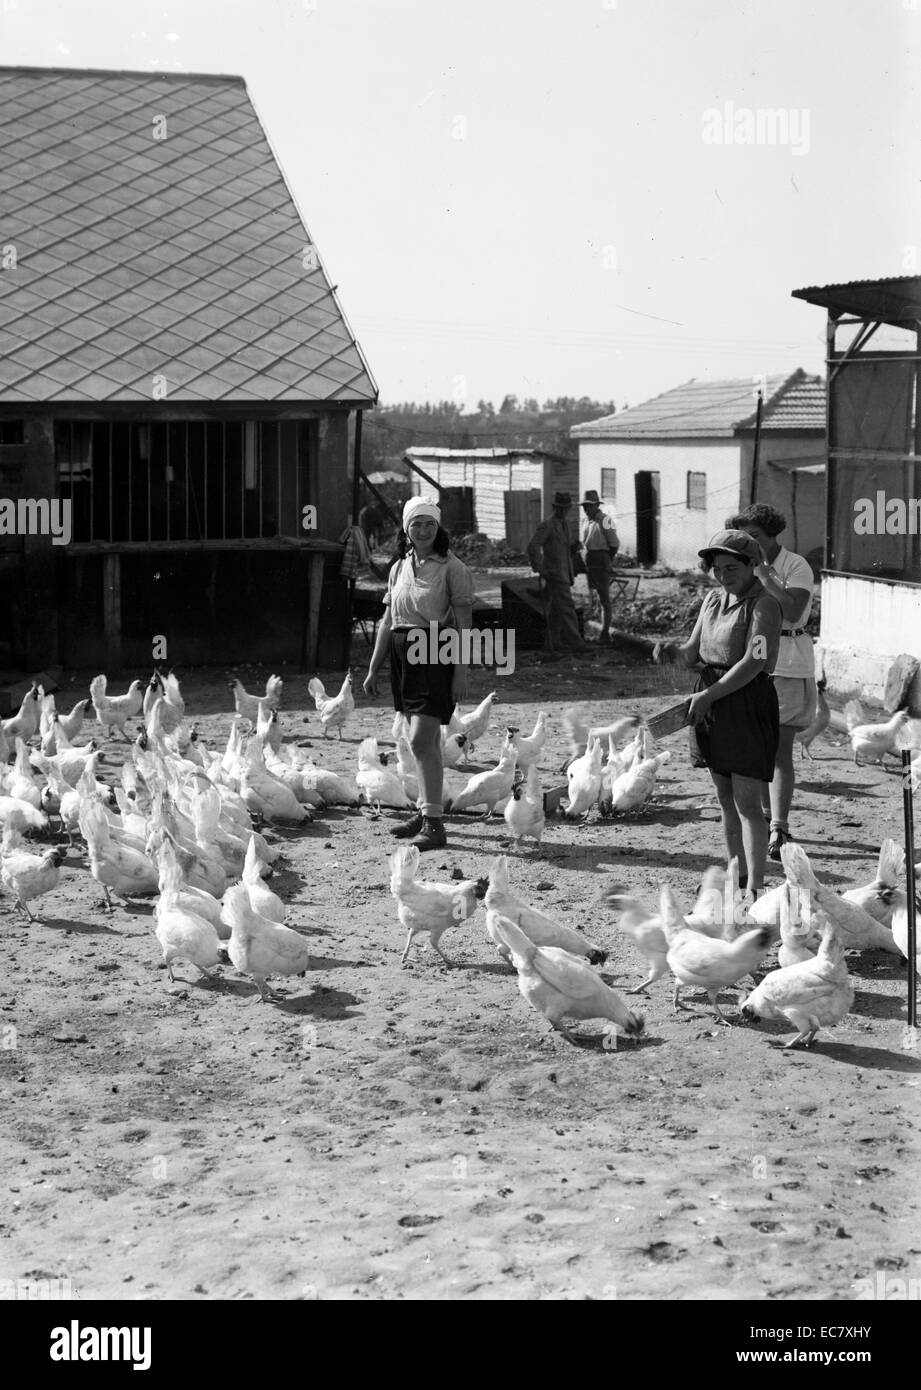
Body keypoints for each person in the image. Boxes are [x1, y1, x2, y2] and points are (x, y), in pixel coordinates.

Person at [654, 529, 781, 896]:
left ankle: (755, 887)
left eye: (732, 567)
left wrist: (710, 695)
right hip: (710, 701)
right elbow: (692, 653)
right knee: (724, 798)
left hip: (745, 702)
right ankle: (735, 874)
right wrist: (669, 653)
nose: (724, 575)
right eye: (717, 568)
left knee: (747, 802)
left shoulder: (765, 605)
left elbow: (755, 661)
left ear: (752, 565)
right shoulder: (712, 600)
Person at [362, 496, 475, 851]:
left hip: (433, 651)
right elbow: (387, 621)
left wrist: (461, 671)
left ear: (437, 527)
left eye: (428, 523)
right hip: (401, 655)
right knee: (414, 741)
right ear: (406, 529)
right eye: (415, 524)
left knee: (424, 739)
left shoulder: (452, 568)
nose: (422, 530)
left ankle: (435, 825)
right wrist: (373, 667)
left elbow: (464, 625)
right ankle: (427, 813)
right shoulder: (399, 566)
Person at [725, 504, 816, 861]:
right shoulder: (741, 565)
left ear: (772, 533)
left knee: (779, 750)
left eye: (756, 537)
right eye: (746, 539)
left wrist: (765, 576)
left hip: (790, 659)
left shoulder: (795, 565)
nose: (752, 544)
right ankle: (761, 820)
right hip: (753, 660)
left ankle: (779, 827)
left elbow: (793, 611)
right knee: (753, 748)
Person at [526, 492, 592, 655]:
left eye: (566, 508)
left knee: (556, 610)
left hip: (564, 573)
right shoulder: (547, 525)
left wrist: (573, 548)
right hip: (554, 574)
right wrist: (540, 568)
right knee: (568, 608)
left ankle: (552, 642)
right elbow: (532, 546)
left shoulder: (565, 525)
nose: (563, 511)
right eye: (560, 508)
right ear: (555, 508)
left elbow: (561, 549)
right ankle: (577, 643)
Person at [579, 489, 620, 643]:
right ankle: (596, 628)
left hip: (602, 558)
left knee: (604, 598)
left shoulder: (605, 520)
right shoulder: (585, 521)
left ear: (596, 505)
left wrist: (607, 561)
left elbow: (614, 544)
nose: (586, 509)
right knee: (593, 596)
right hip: (589, 559)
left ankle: (605, 632)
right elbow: (584, 542)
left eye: (589, 506)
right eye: (584, 506)